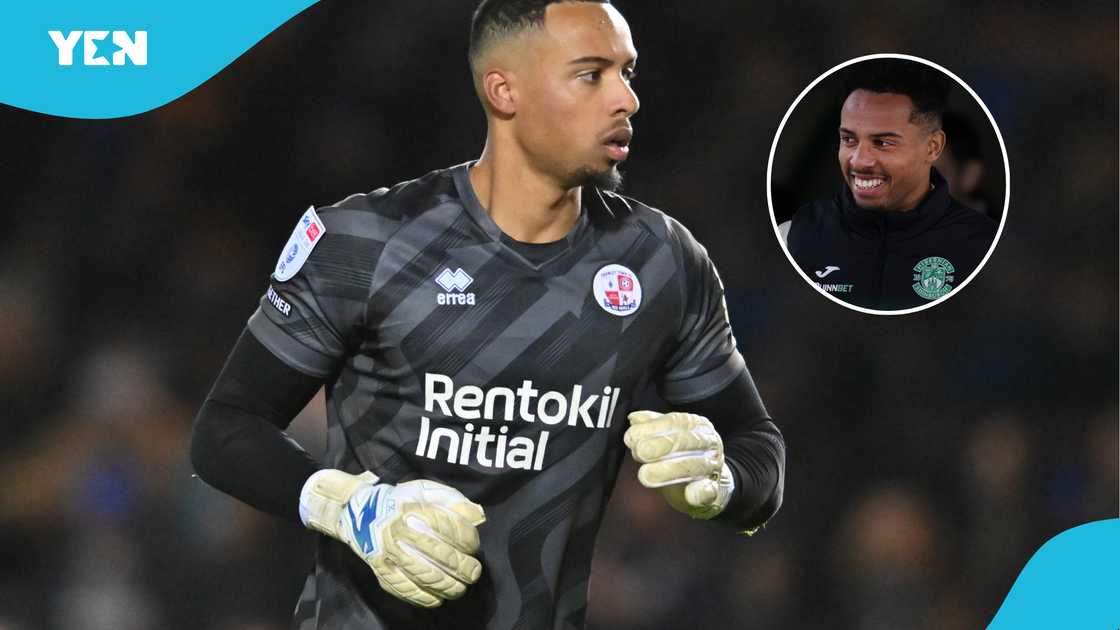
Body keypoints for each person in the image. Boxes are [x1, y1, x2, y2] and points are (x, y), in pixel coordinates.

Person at [190, 1, 785, 628]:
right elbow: (225, 429)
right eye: (591, 74)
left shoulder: (662, 261)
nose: (626, 99)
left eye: (627, 73)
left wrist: (721, 482)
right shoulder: (367, 242)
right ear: (504, 91)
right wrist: (348, 509)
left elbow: (759, 452)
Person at [779, 59, 998, 311]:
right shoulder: (793, 237)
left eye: (883, 143)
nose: (859, 161)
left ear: (933, 147)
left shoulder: (983, 247)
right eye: (849, 139)